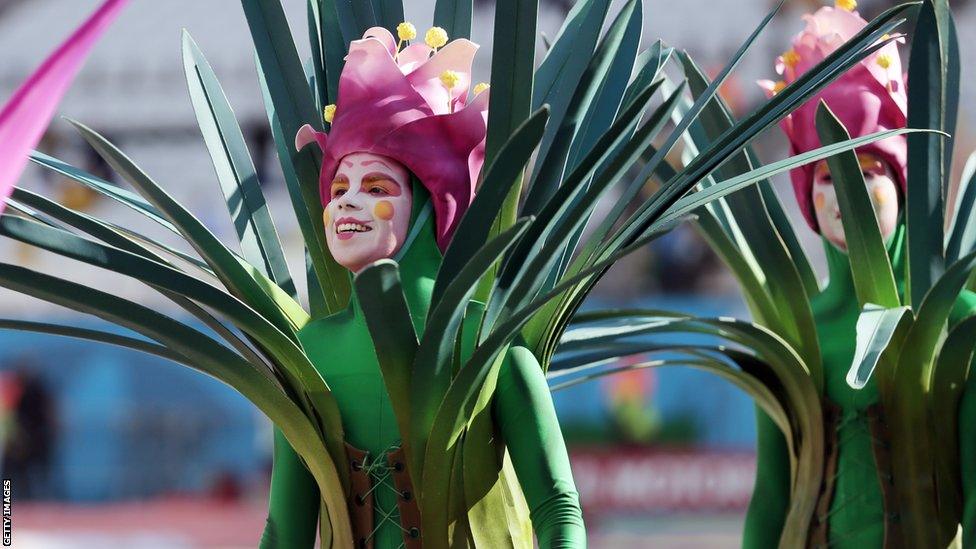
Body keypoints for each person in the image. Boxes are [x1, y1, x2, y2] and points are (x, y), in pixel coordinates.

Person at [259, 24, 585, 549]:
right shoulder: (308, 353)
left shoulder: (490, 346)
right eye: (338, 187)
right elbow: (283, 531)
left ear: (432, 202)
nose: (345, 202)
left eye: (376, 187)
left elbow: (558, 510)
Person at [744, 4, 976, 547]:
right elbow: (770, 499)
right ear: (806, 195)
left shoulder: (959, 326)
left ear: (902, 180)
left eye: (869, 170)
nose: (846, 190)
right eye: (829, 175)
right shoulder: (792, 335)